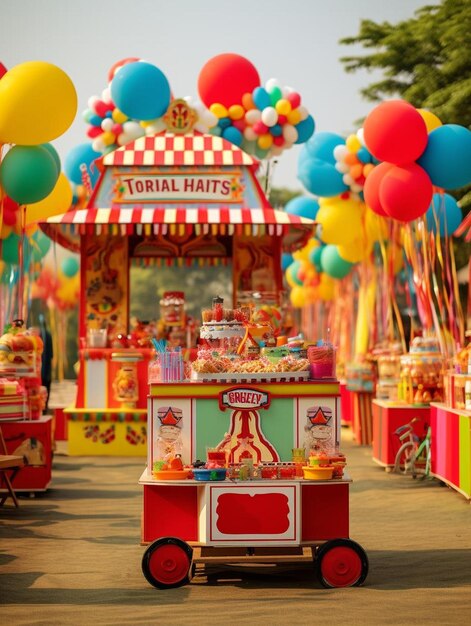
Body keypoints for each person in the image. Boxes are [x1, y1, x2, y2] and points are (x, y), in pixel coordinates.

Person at [39, 314, 53, 414]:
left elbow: (51, 354)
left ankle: (44, 409)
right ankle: (43, 409)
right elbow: (51, 354)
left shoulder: (46, 336)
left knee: (45, 388)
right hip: (43, 370)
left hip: (44, 370)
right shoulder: (46, 335)